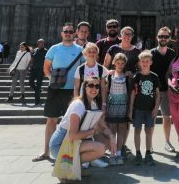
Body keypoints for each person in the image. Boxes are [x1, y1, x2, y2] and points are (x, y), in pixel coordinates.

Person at [32, 22, 85, 162]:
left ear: (74, 33)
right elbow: (46, 68)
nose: (68, 33)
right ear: (62, 33)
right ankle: (46, 152)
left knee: (71, 123)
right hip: (55, 90)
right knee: (51, 120)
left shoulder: (80, 50)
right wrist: (54, 80)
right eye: (65, 31)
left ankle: (68, 153)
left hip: (72, 92)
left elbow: (83, 69)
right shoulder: (54, 49)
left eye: (70, 31)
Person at [49, 76, 116, 170]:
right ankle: (66, 163)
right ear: (84, 87)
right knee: (100, 149)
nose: (94, 88)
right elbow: (72, 136)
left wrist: (112, 137)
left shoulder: (93, 104)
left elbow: (103, 127)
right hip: (60, 144)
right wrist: (91, 132)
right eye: (91, 85)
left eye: (97, 86)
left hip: (77, 141)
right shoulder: (78, 105)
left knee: (107, 141)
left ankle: (78, 165)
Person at [129, 50, 161, 166]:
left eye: (147, 61)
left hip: (150, 109)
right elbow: (133, 93)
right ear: (139, 62)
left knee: (148, 131)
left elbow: (157, 94)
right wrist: (131, 109)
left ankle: (148, 153)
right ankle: (138, 153)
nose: (145, 63)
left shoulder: (154, 77)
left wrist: (156, 107)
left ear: (151, 62)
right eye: (143, 61)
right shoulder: (136, 76)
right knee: (137, 130)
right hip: (138, 108)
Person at [150, 26, 177, 153]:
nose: (163, 38)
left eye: (166, 36)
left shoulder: (172, 54)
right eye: (161, 36)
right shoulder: (151, 53)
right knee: (152, 117)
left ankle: (167, 142)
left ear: (169, 38)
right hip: (153, 90)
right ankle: (149, 144)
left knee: (167, 117)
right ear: (157, 37)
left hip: (166, 90)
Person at [103, 53, 130, 165]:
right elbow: (105, 90)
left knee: (122, 130)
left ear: (125, 64)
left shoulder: (127, 76)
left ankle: (119, 153)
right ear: (114, 63)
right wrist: (104, 104)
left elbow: (130, 92)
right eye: (118, 63)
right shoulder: (109, 75)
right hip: (112, 105)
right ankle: (112, 154)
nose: (120, 65)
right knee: (112, 130)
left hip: (123, 105)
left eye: (122, 63)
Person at [29, 39, 47, 106]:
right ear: (38, 43)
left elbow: (47, 61)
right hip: (33, 69)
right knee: (30, 82)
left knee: (38, 85)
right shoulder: (34, 50)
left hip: (41, 69)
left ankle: (37, 101)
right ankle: (38, 91)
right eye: (40, 42)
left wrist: (46, 70)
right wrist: (30, 65)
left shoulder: (46, 51)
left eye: (43, 42)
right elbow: (32, 58)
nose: (42, 44)